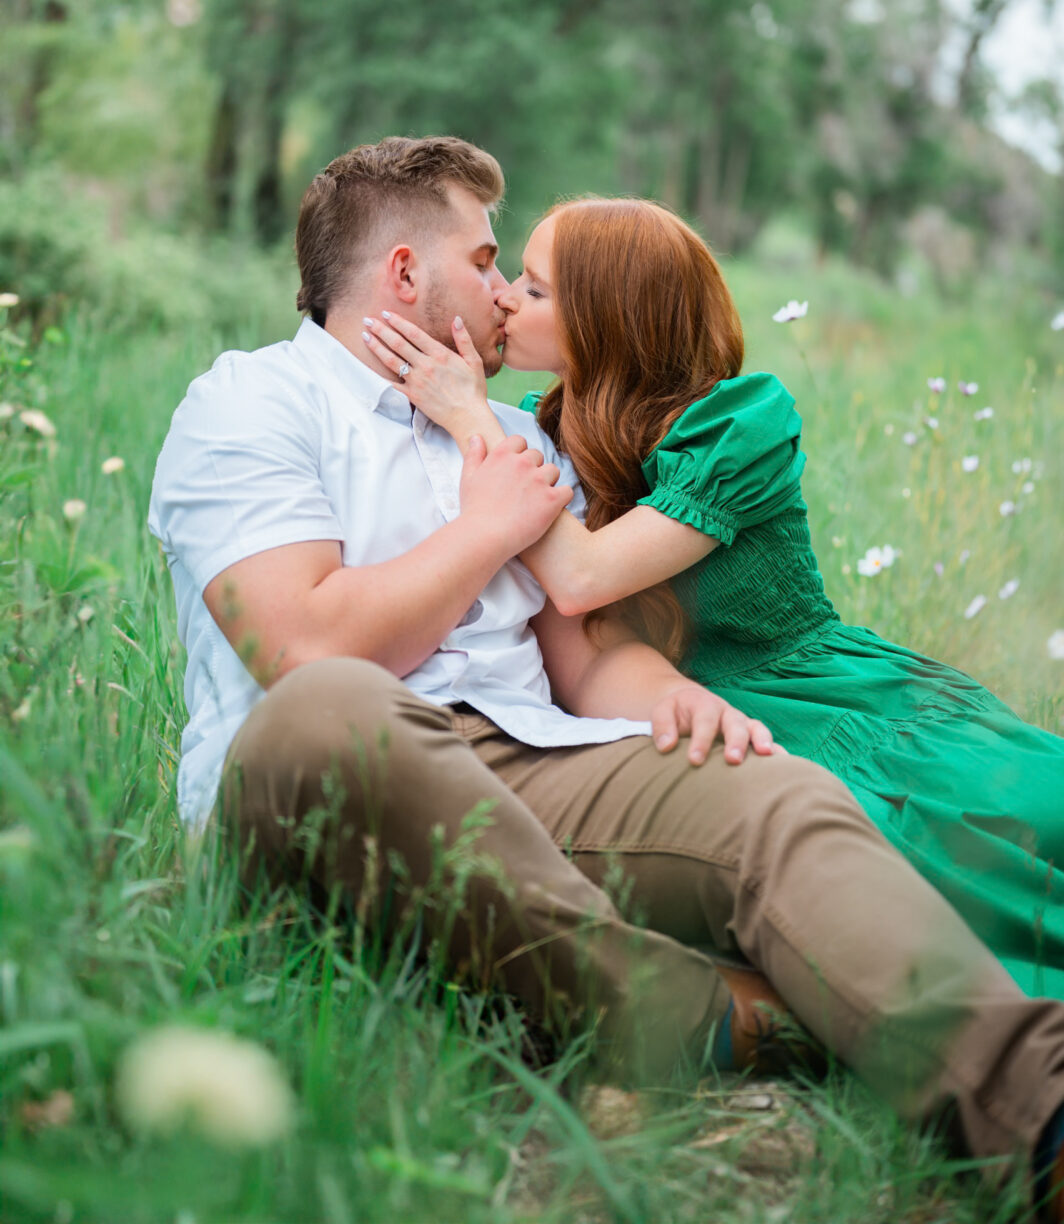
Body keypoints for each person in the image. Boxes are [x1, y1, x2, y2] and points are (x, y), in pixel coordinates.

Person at [150, 139, 1064, 1213]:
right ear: (403, 274)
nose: (502, 296)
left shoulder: (506, 429)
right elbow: (303, 647)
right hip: (334, 766)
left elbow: (579, 655)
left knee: (768, 791)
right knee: (332, 711)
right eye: (488, 262)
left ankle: (1034, 1111)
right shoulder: (250, 403)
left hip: (531, 761)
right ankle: (707, 1013)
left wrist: (670, 700)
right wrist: (488, 521)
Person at [362, 193, 1064, 1010]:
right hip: (676, 720)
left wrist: (467, 416)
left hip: (825, 704)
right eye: (513, 275)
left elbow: (582, 577)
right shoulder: (542, 426)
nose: (509, 297)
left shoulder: (738, 422)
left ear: (611, 318)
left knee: (998, 847)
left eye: (539, 288)